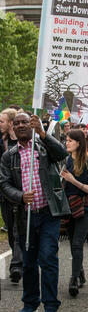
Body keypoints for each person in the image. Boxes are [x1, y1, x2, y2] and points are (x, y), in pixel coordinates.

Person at [0, 113, 68, 312]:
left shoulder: (43, 146)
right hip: (25, 215)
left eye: (25, 122)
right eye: (17, 123)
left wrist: (42, 133)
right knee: (28, 262)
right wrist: (20, 196)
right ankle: (30, 303)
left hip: (48, 212)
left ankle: (50, 306)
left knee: (48, 258)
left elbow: (61, 153)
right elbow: (4, 184)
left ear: (31, 124)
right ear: (12, 127)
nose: (21, 126)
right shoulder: (9, 156)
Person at [61, 129, 88, 297]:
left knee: (77, 243)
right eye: (66, 140)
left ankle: (74, 278)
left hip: (85, 208)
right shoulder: (64, 161)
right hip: (67, 207)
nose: (67, 143)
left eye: (70, 140)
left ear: (79, 143)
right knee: (72, 244)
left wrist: (72, 180)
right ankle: (80, 272)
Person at [0, 108, 22, 282]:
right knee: (11, 230)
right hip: (4, 193)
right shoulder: (2, 141)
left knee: (17, 228)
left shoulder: (21, 142)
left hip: (20, 193)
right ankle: (18, 259)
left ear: (10, 123)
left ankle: (16, 265)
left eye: (2, 121)